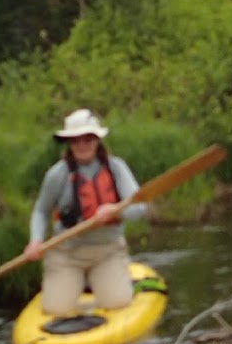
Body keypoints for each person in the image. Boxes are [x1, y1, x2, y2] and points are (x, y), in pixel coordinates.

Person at [24, 108, 147, 316]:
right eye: (75, 140)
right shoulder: (57, 174)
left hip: (107, 251)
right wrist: (36, 240)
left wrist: (116, 210)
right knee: (55, 310)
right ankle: (73, 285)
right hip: (67, 254)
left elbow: (139, 209)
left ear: (97, 140)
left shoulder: (116, 168)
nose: (82, 145)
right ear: (69, 143)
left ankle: (113, 282)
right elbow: (41, 211)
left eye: (88, 138)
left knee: (117, 304)